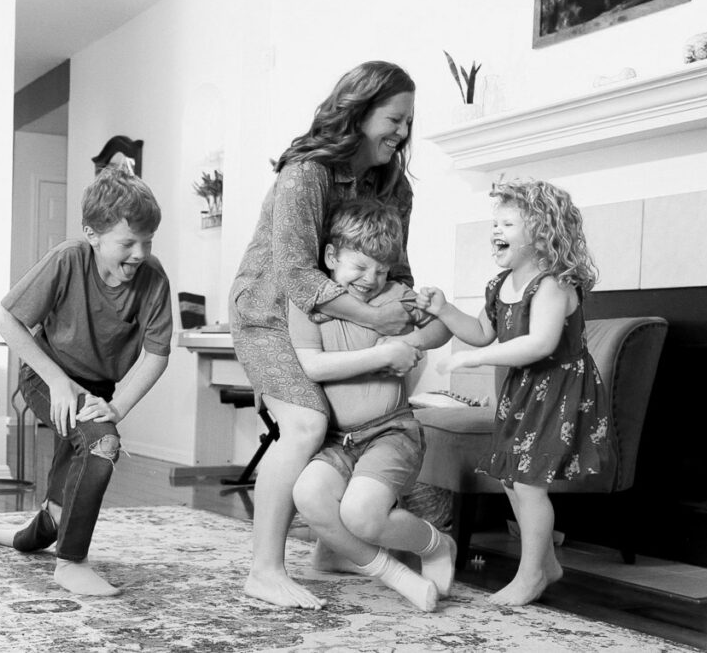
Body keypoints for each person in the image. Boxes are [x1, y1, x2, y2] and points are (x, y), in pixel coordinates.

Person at [229, 61, 418, 609]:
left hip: (342, 316)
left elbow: (398, 268)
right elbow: (292, 269)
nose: (403, 133)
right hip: (268, 311)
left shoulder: (393, 183)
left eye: (408, 122)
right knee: (308, 422)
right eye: (394, 119)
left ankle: (336, 549)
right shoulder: (306, 172)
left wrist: (410, 313)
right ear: (358, 113)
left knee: (353, 418)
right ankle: (264, 569)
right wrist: (376, 323)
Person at [414, 178, 617, 607]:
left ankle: (531, 576)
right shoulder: (500, 284)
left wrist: (469, 362)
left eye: (508, 223)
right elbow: (482, 333)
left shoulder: (552, 284)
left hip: (558, 390)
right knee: (512, 479)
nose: (496, 230)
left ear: (542, 231)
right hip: (522, 392)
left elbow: (540, 343)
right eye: (495, 222)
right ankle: (546, 563)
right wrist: (445, 309)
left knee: (528, 485)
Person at [0, 164, 173, 597]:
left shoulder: (153, 278)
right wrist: (59, 381)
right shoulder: (68, 258)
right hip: (46, 375)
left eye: (147, 241)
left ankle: (28, 535)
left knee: (73, 473)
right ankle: (71, 563)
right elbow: (4, 318)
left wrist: (117, 406)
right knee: (102, 443)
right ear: (93, 234)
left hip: (99, 389)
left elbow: (157, 355)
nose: (140, 253)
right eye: (128, 242)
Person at [288, 201, 454, 612]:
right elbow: (312, 365)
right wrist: (382, 356)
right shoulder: (309, 303)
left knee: (362, 514)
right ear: (331, 256)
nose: (371, 279)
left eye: (381, 269)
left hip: (391, 432)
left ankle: (435, 544)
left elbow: (441, 326)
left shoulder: (396, 295)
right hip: (340, 439)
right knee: (308, 495)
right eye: (360, 266)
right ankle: (391, 573)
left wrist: (409, 343)